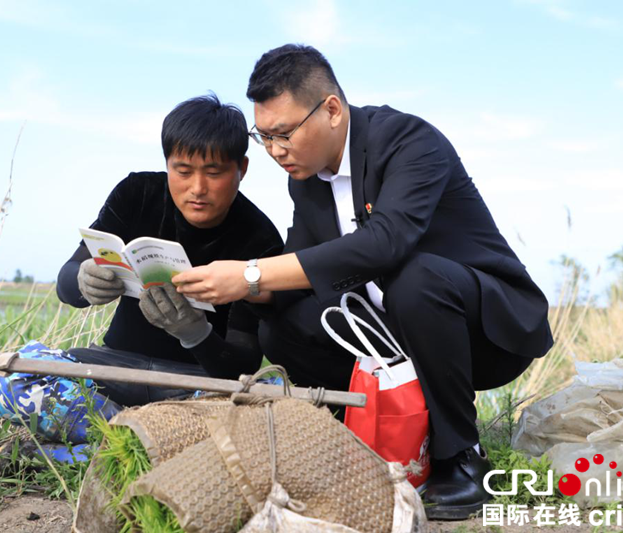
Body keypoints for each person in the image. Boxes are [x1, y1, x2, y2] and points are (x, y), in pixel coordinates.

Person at [172, 45, 554, 520]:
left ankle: (461, 458)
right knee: (282, 326)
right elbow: (309, 267)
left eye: (284, 134)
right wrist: (232, 286)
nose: (274, 151)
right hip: (391, 334)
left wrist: (252, 272)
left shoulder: (409, 141)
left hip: (483, 331)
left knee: (415, 278)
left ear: (331, 109)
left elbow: (385, 243)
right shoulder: (305, 179)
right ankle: (355, 437)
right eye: (264, 137)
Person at [0, 94, 283, 451]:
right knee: (14, 375)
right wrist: (83, 280)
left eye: (214, 172)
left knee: (257, 413)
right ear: (167, 163)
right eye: (183, 171)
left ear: (242, 169)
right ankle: (137, 442)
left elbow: (244, 361)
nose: (197, 188)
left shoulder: (261, 239)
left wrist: (194, 333)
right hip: (111, 368)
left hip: (193, 385)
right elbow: (66, 284)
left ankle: (101, 448)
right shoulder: (137, 193)